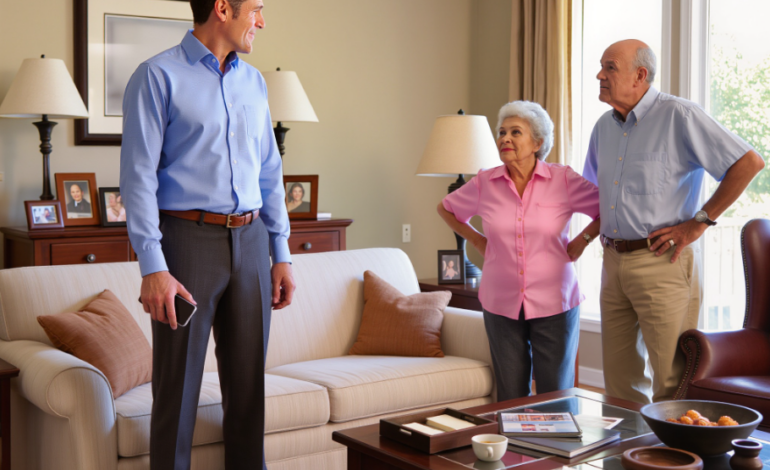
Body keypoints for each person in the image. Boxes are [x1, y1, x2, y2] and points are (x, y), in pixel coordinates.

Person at [119, 0, 296, 468]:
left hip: (254, 241)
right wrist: (153, 266)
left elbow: (269, 173)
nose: (261, 20)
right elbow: (138, 179)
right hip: (187, 245)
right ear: (223, 8)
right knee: (176, 392)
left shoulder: (253, 82)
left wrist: (281, 252)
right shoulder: (157, 76)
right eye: (256, 9)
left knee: (248, 394)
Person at [583, 39, 765, 404]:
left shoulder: (679, 115)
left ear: (640, 75)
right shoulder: (604, 127)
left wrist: (699, 222)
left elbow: (749, 163)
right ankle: (629, 456)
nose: (600, 75)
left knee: (671, 383)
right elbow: (594, 194)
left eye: (610, 67)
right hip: (613, 260)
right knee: (619, 383)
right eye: (602, 67)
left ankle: (673, 459)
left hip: (662, 261)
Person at [438, 101, 601, 401]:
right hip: (501, 302)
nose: (505, 139)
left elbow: (606, 208)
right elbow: (447, 208)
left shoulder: (563, 179)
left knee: (556, 396)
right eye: (502, 132)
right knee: (510, 398)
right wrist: (476, 241)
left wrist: (583, 240)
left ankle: (555, 449)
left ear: (538, 143)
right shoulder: (486, 182)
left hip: (556, 300)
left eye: (515, 132)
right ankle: (515, 450)